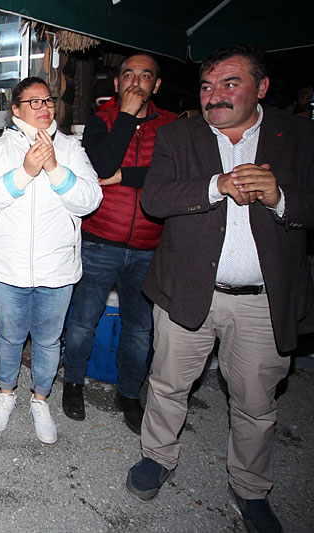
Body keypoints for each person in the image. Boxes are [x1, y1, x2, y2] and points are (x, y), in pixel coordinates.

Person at [125, 45, 314, 533]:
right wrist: (215, 186)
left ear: (262, 87)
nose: (215, 96)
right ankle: (157, 457)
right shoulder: (180, 136)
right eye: (208, 86)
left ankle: (251, 488)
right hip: (187, 287)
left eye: (230, 84)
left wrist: (279, 198)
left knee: (255, 401)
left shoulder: (296, 136)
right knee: (168, 383)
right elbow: (156, 198)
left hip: (260, 299)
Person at [0, 77, 101, 443]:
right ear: (16, 110)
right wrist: (26, 170)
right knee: (10, 337)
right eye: (34, 102)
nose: (45, 108)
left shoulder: (72, 148)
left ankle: (41, 398)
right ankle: (6, 393)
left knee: (48, 340)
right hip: (9, 268)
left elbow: (90, 200)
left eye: (48, 101)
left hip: (57, 269)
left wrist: (55, 168)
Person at [62, 54, 176, 434]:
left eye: (146, 76)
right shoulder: (102, 122)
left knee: (140, 329)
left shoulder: (172, 126)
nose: (136, 83)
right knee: (82, 321)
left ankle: (129, 394)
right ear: (117, 83)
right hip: (99, 240)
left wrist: (123, 175)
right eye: (128, 75)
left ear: (156, 85)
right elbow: (98, 168)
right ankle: (73, 383)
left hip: (149, 245)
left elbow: (169, 177)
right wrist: (126, 117)